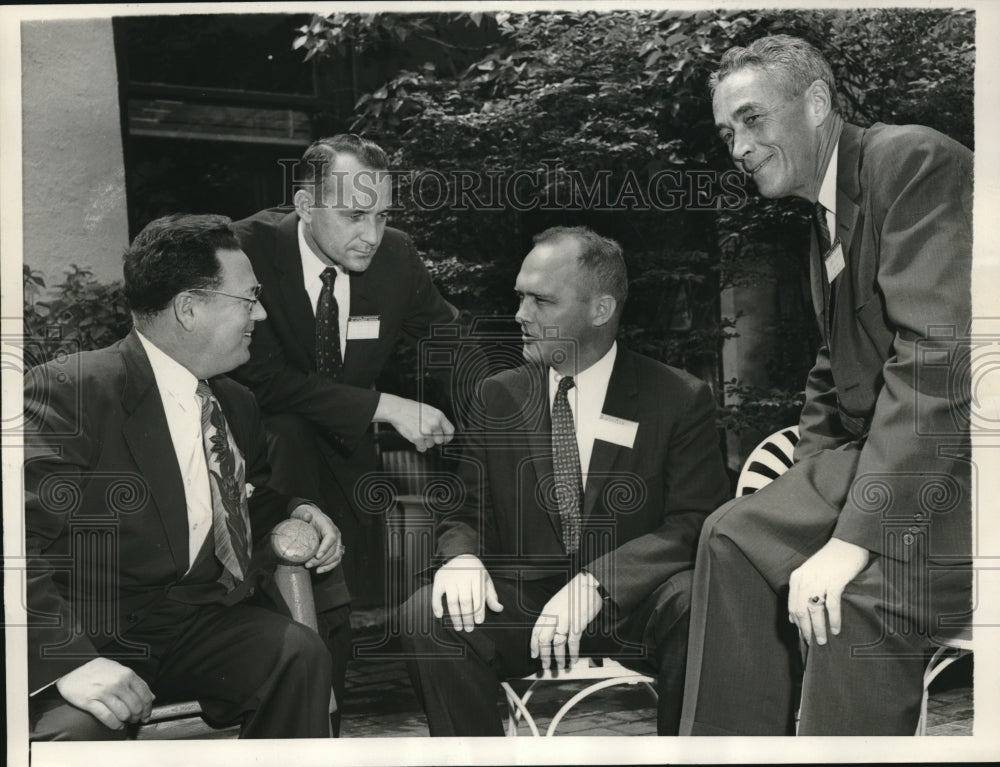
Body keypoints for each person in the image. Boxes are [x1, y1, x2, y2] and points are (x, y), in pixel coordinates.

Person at [680, 35, 973, 735]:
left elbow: (938, 357)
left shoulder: (910, 163)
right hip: (900, 463)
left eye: (752, 119)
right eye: (727, 132)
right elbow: (830, 371)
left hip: (967, 469)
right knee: (732, 535)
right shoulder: (825, 216)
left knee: (855, 597)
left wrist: (851, 537)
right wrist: (806, 484)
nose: (738, 146)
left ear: (815, 103)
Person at [399, 226, 730, 736]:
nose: (520, 316)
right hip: (528, 600)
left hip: (636, 603)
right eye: (520, 298)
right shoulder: (498, 397)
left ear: (600, 310)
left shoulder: (678, 398)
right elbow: (465, 510)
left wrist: (601, 583)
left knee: (698, 605)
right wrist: (462, 555)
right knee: (429, 615)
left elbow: (694, 521)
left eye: (541, 301)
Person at [25, 214, 343, 740]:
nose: (260, 314)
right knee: (73, 737)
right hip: (91, 636)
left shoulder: (236, 404)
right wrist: (69, 662)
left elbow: (240, 502)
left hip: (194, 626)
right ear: (189, 309)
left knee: (298, 653)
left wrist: (294, 511)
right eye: (249, 299)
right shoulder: (74, 390)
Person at [231, 135, 470, 720]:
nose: (371, 233)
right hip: (262, 463)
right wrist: (386, 406)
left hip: (343, 456)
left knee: (333, 620)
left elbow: (450, 345)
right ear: (305, 205)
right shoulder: (245, 250)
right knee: (295, 614)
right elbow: (259, 378)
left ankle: (321, 726)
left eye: (383, 214)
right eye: (354, 215)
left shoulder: (396, 257)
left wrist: (522, 404)